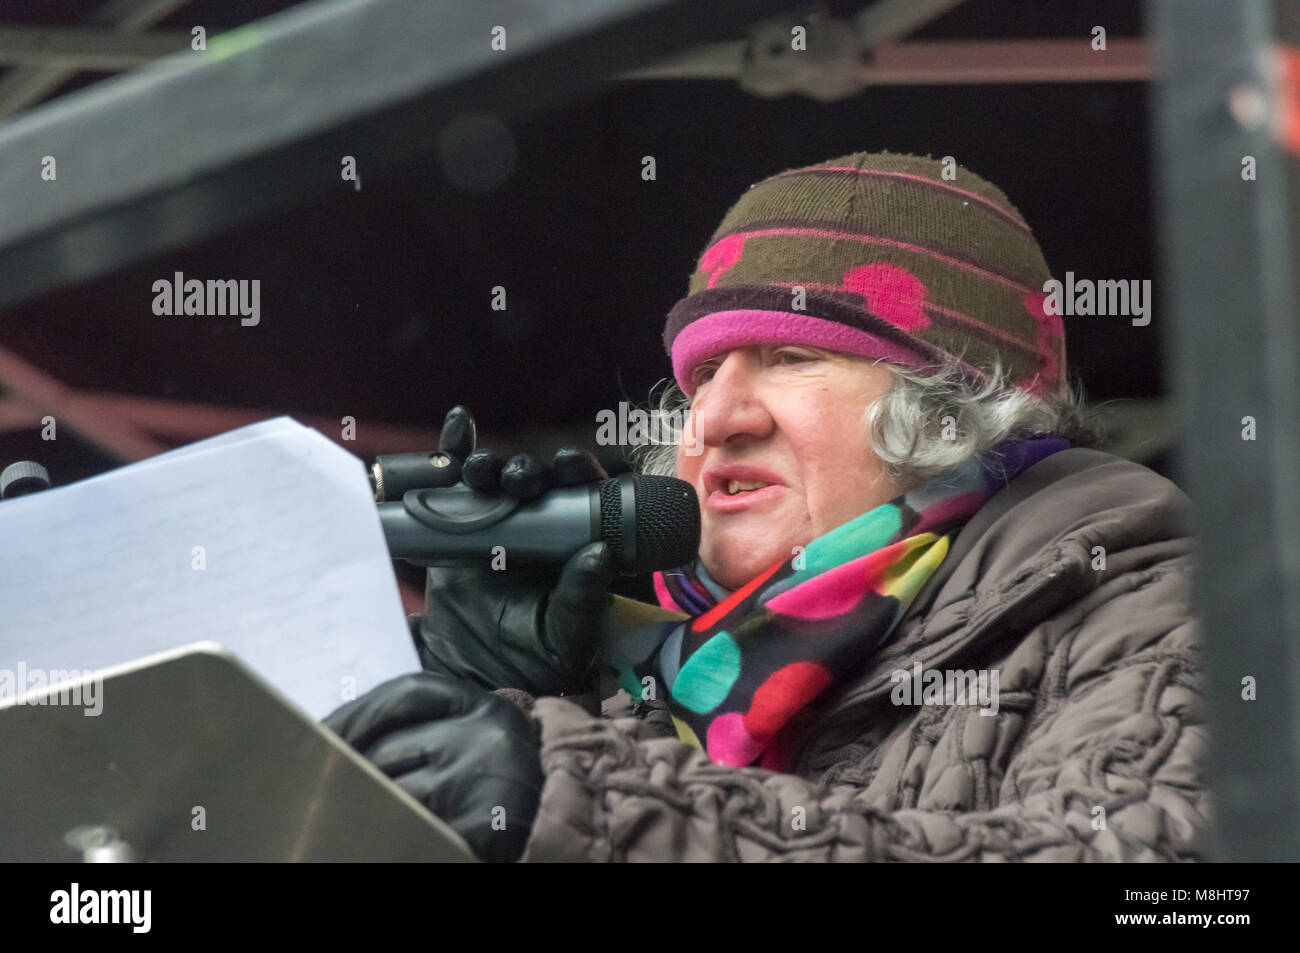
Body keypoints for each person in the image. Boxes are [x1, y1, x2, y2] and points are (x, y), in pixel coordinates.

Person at [323, 151, 1207, 862]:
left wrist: (565, 799)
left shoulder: (1153, 605)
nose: (715, 418)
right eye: (703, 374)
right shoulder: (639, 674)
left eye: (790, 356)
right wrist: (488, 691)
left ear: (952, 406)